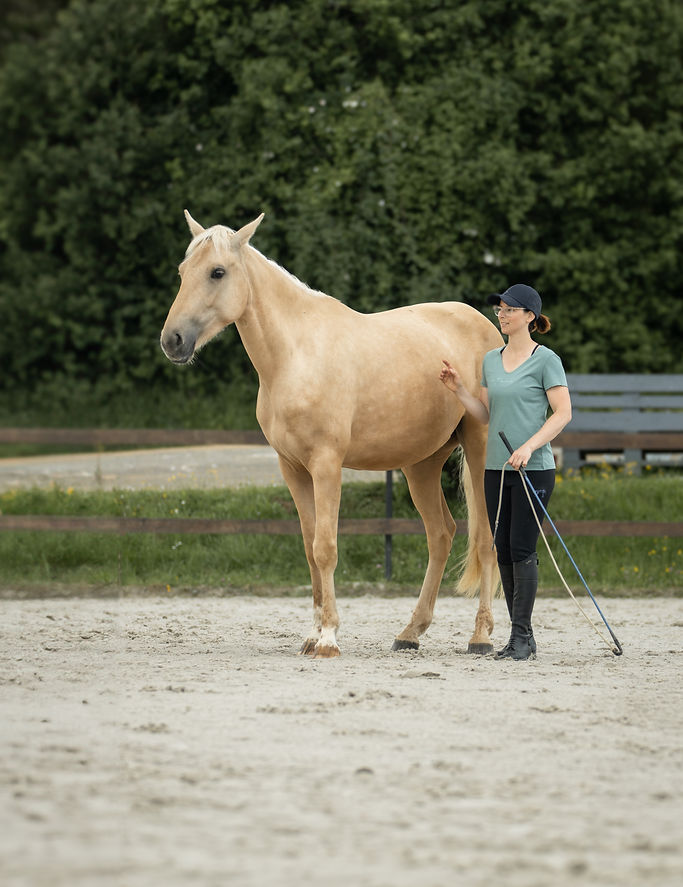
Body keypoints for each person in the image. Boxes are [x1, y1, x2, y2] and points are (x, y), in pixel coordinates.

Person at [440, 284, 572, 660]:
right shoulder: (491, 361)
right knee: (502, 551)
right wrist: (460, 391)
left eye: (510, 309)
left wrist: (530, 446)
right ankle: (517, 638)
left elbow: (563, 413)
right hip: (496, 468)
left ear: (529, 316)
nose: (502, 313)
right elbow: (485, 415)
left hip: (535, 468)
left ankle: (523, 637)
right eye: (500, 308)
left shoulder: (546, 360)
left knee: (521, 548)